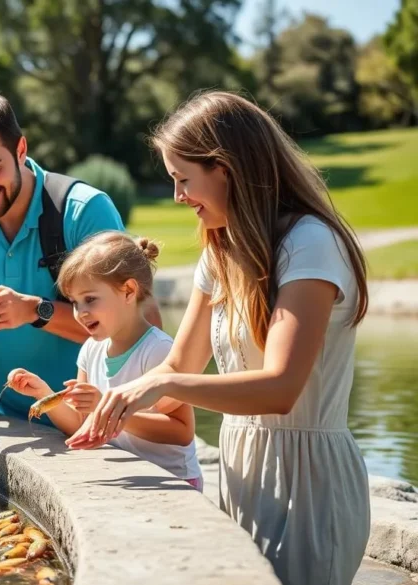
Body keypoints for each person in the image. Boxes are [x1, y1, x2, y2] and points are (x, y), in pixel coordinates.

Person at [80, 91, 371, 585]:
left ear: (226, 168)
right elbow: (179, 365)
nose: (178, 196)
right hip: (240, 471)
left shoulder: (311, 244)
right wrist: (120, 401)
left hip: (309, 481)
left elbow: (280, 389)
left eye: (183, 179)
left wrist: (161, 389)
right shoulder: (220, 253)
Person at [0, 91, 161, 424]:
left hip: (89, 423)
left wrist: (33, 311)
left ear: (21, 150)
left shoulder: (83, 211)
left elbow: (143, 326)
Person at [7, 231, 202, 491]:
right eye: (75, 303)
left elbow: (181, 432)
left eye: (90, 299)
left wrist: (108, 410)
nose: (80, 313)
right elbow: (80, 424)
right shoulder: (91, 349)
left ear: (129, 291)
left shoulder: (158, 351)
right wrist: (44, 395)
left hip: (171, 481)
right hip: (124, 478)